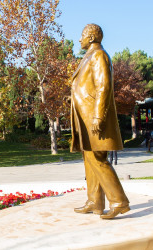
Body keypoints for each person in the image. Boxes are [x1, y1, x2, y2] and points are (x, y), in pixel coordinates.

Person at [71, 24, 129, 219]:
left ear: (92, 37)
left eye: (82, 35)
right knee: (89, 158)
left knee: (98, 158)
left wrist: (98, 115)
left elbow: (103, 86)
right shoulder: (89, 56)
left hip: (93, 116)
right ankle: (95, 201)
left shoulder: (99, 55)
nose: (80, 39)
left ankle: (119, 201)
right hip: (85, 116)